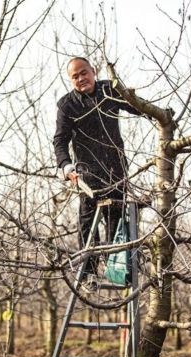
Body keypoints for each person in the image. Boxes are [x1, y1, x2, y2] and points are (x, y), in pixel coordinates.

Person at [52, 57, 144, 289]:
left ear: (93, 71)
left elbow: (137, 107)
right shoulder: (67, 105)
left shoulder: (109, 90)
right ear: (70, 80)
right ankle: (88, 272)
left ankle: (116, 266)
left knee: (115, 219)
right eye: (75, 76)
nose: (81, 79)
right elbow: (60, 140)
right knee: (87, 221)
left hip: (116, 169)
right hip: (87, 174)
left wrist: (154, 112)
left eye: (84, 73)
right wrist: (66, 166)